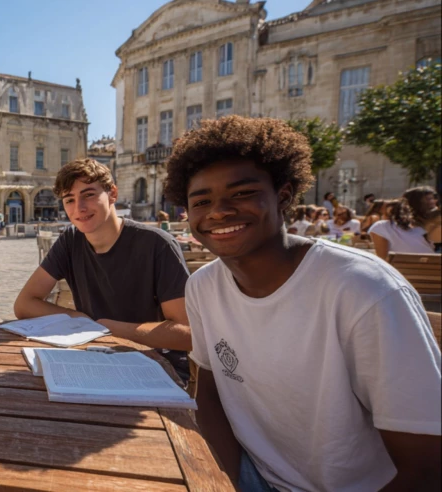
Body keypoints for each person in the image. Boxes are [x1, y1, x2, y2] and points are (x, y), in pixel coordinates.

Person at [163, 115, 440, 491]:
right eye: (201, 201)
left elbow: (426, 468)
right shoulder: (203, 287)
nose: (219, 211)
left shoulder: (364, 291)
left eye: (242, 193)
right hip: (254, 473)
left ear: (284, 196)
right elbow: (209, 398)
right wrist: (219, 483)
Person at [13, 158, 192, 379]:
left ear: (113, 194)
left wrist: (106, 328)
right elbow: (24, 304)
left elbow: (186, 333)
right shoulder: (70, 240)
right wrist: (78, 318)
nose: (79, 208)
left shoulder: (157, 244)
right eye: (69, 199)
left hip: (158, 366)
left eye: (88, 194)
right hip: (96, 358)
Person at [368, 199, 434, 258]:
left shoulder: (381, 226)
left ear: (387, 212)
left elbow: (382, 258)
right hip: (433, 266)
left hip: (403, 268)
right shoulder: (421, 228)